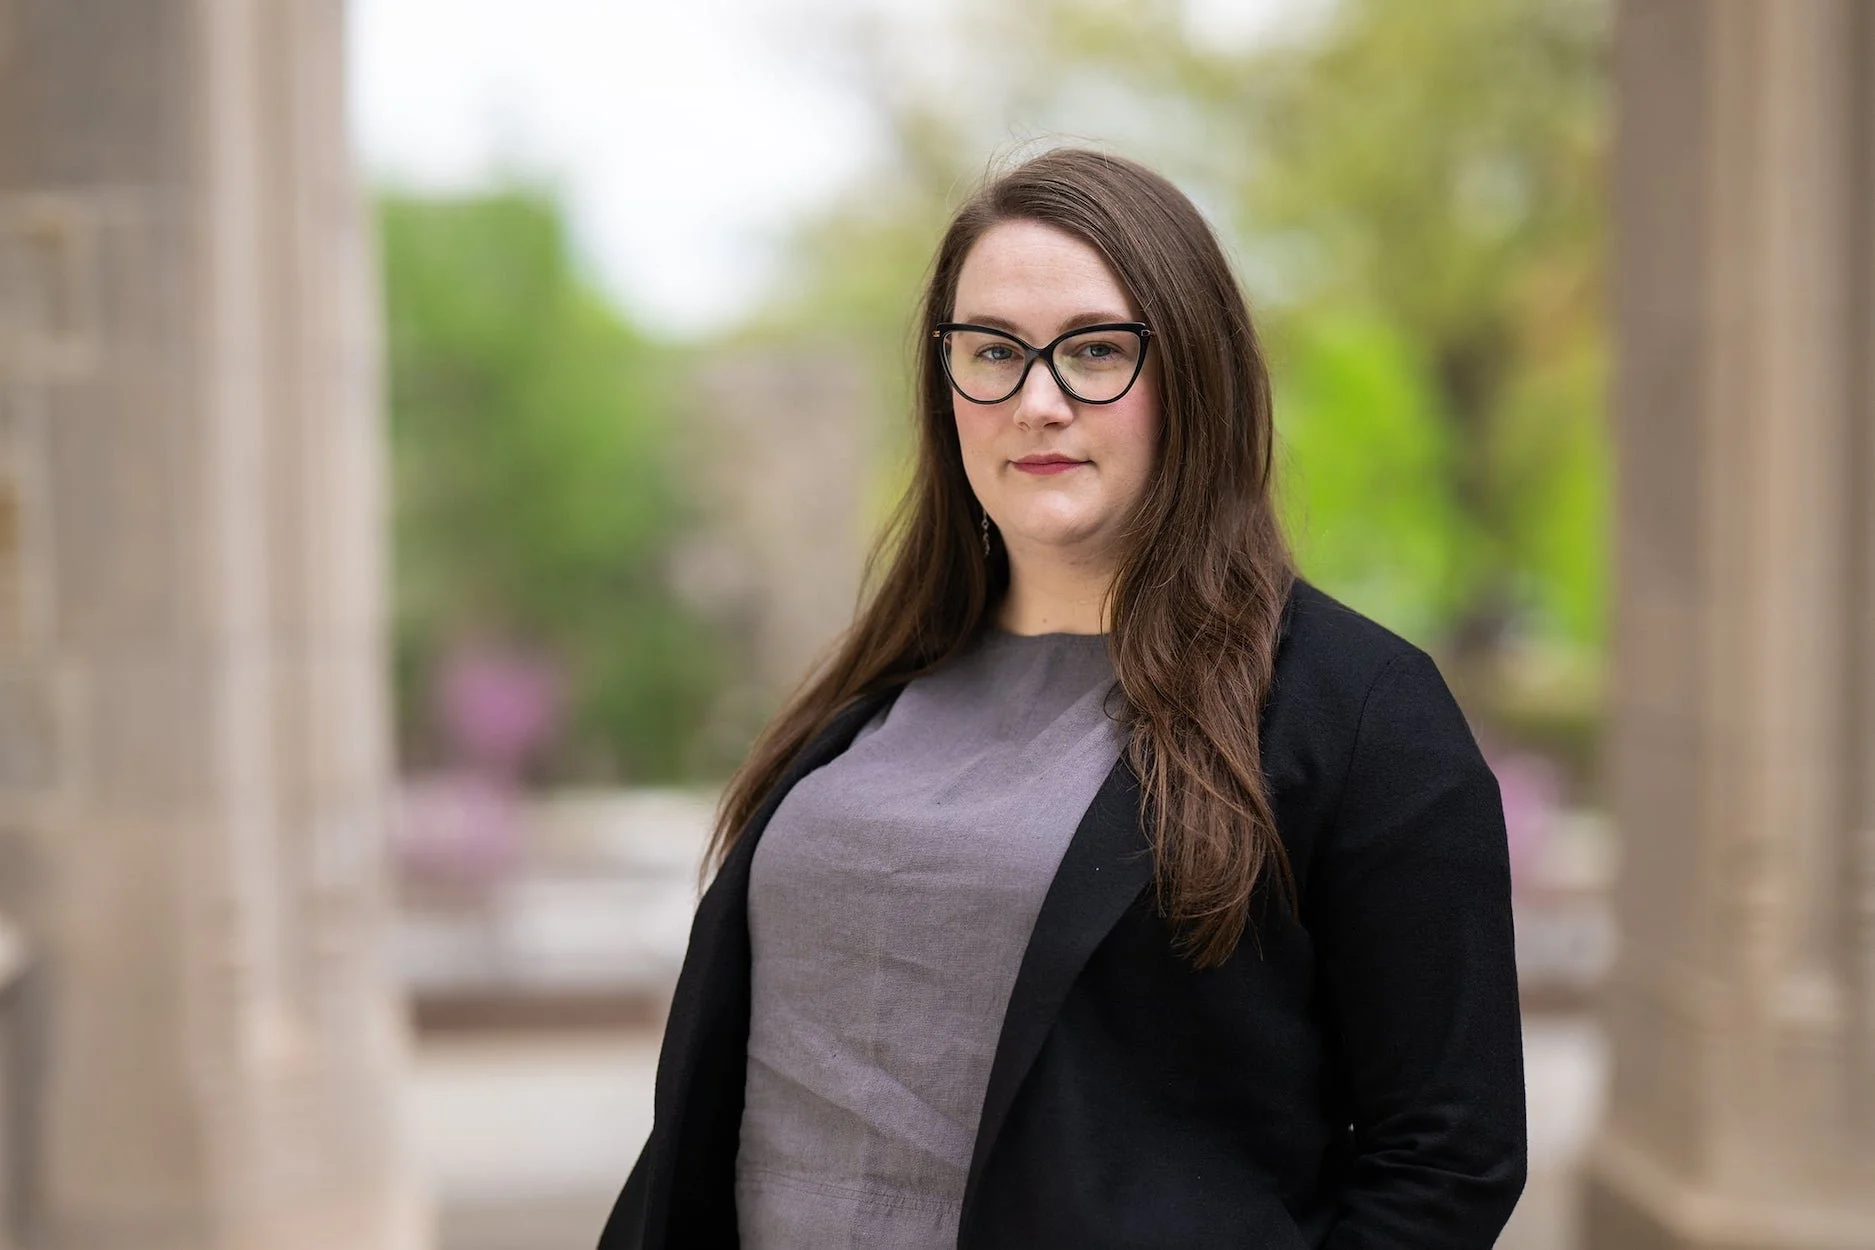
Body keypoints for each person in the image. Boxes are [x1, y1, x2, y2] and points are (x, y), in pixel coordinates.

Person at [598, 147, 1526, 1250]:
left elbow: (1448, 1157)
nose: (1037, 402)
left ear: (1197, 374)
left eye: (1094, 351)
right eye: (992, 351)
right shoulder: (878, 681)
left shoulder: (1359, 711)